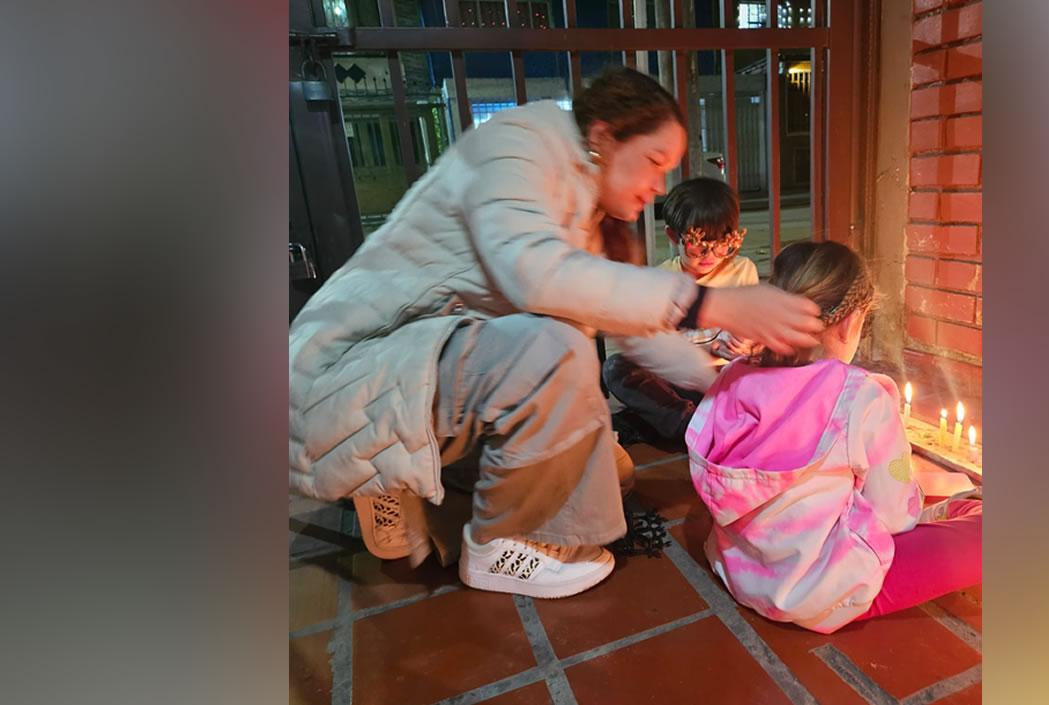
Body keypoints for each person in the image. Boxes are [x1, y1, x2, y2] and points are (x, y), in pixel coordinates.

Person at [288, 66, 824, 600]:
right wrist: (715, 305)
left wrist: (731, 393)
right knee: (557, 348)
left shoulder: (590, 218)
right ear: (603, 138)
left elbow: (638, 333)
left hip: (436, 377)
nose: (659, 186)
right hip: (352, 369)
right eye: (655, 162)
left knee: (610, 474)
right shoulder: (521, 145)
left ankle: (414, 494)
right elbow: (535, 273)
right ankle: (490, 544)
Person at [686, 241, 982, 632]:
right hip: (822, 591)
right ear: (850, 320)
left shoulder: (733, 377)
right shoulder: (861, 396)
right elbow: (894, 516)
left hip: (740, 570)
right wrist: (910, 493)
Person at [603, 177, 759, 447]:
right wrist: (706, 350)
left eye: (723, 243)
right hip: (681, 384)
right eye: (698, 244)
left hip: (723, 382)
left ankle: (665, 429)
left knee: (763, 379)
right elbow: (654, 351)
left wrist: (744, 342)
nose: (711, 254)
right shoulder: (662, 280)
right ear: (673, 236)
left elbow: (756, 337)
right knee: (616, 368)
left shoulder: (743, 271)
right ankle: (694, 429)